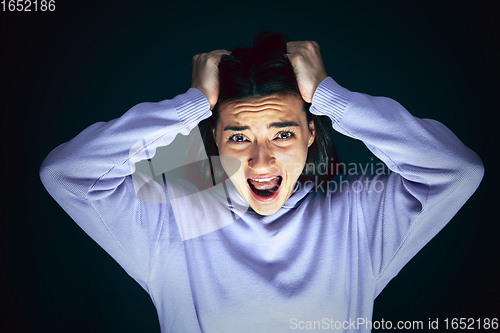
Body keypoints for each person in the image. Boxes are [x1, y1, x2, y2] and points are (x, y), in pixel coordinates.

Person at [40, 31, 484, 332]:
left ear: (312, 133)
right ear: (214, 137)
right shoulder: (179, 213)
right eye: (238, 136)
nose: (261, 159)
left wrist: (332, 97)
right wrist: (189, 106)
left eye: (283, 133)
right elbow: (67, 174)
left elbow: (457, 170)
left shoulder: (356, 214)